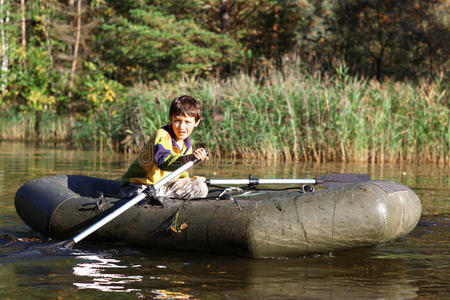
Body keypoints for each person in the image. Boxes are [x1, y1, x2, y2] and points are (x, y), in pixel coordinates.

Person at [120, 95, 209, 201]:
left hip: (160, 188)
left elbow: (180, 174)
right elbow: (163, 161)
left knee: (200, 188)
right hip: (139, 186)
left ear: (196, 122)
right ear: (170, 118)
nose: (181, 127)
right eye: (177, 121)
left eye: (187, 122)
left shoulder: (187, 146)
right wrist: (188, 158)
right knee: (146, 200)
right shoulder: (162, 135)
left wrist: (191, 181)